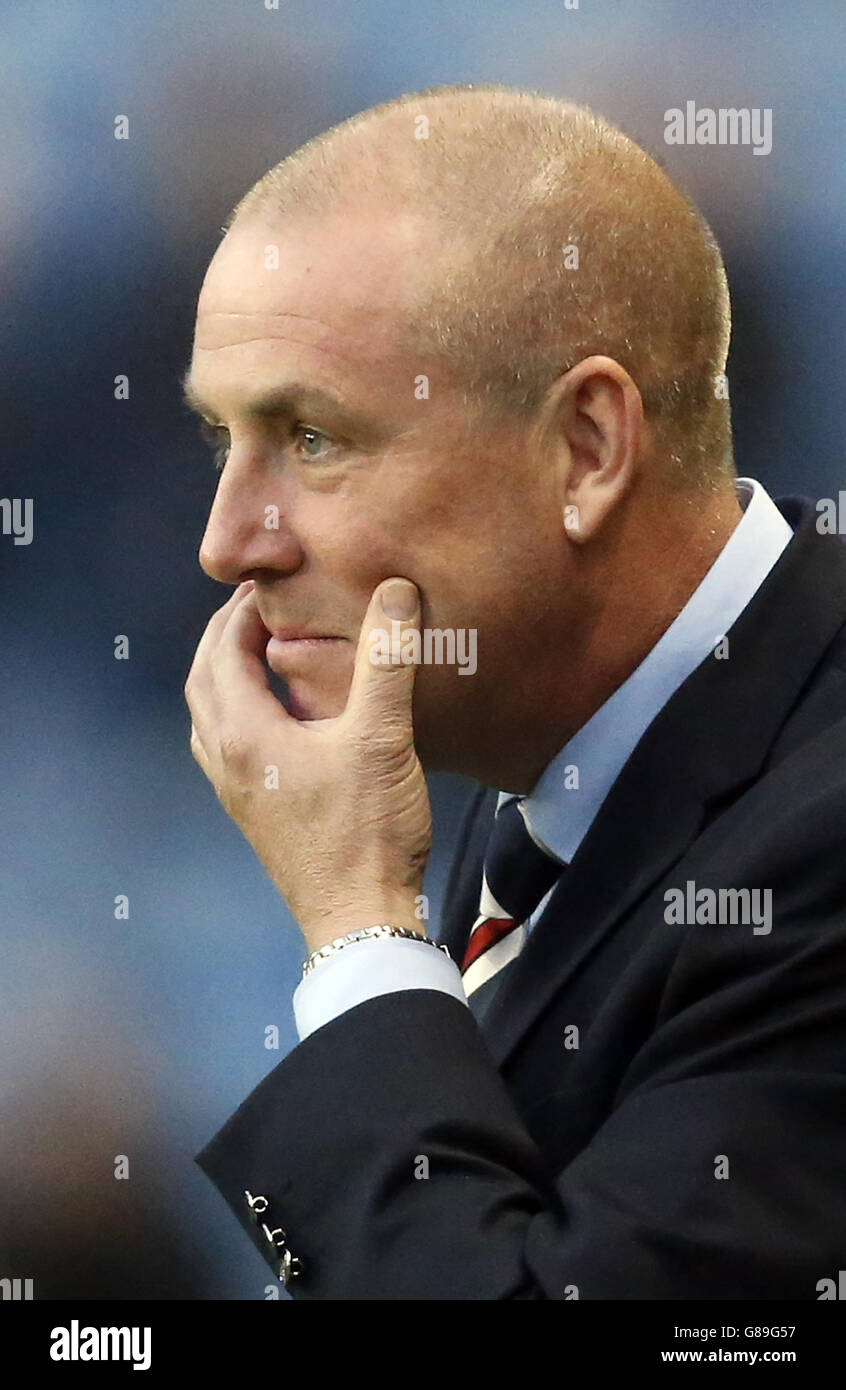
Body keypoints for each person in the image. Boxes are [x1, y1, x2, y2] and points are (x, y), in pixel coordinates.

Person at [182, 83, 846, 1298]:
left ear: (587, 449)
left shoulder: (818, 839)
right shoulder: (550, 733)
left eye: (313, 438)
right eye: (222, 441)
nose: (230, 542)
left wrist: (360, 929)